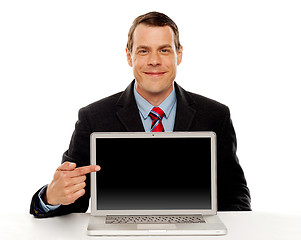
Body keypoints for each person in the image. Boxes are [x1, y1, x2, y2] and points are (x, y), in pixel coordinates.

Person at [30, 11, 251, 218]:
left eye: (164, 50)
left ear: (179, 54)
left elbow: (235, 193)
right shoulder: (94, 118)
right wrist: (51, 197)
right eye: (143, 51)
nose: (154, 60)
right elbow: (74, 199)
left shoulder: (215, 115)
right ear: (129, 56)